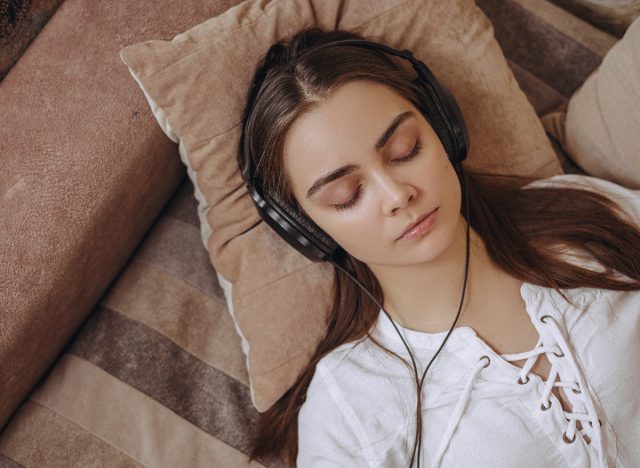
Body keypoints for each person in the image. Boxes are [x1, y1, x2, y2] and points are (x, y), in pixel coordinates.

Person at [239, 26, 640, 468]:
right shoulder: (347, 408)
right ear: (307, 231)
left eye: (405, 149)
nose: (397, 195)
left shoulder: (582, 216)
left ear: (444, 128)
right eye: (347, 195)